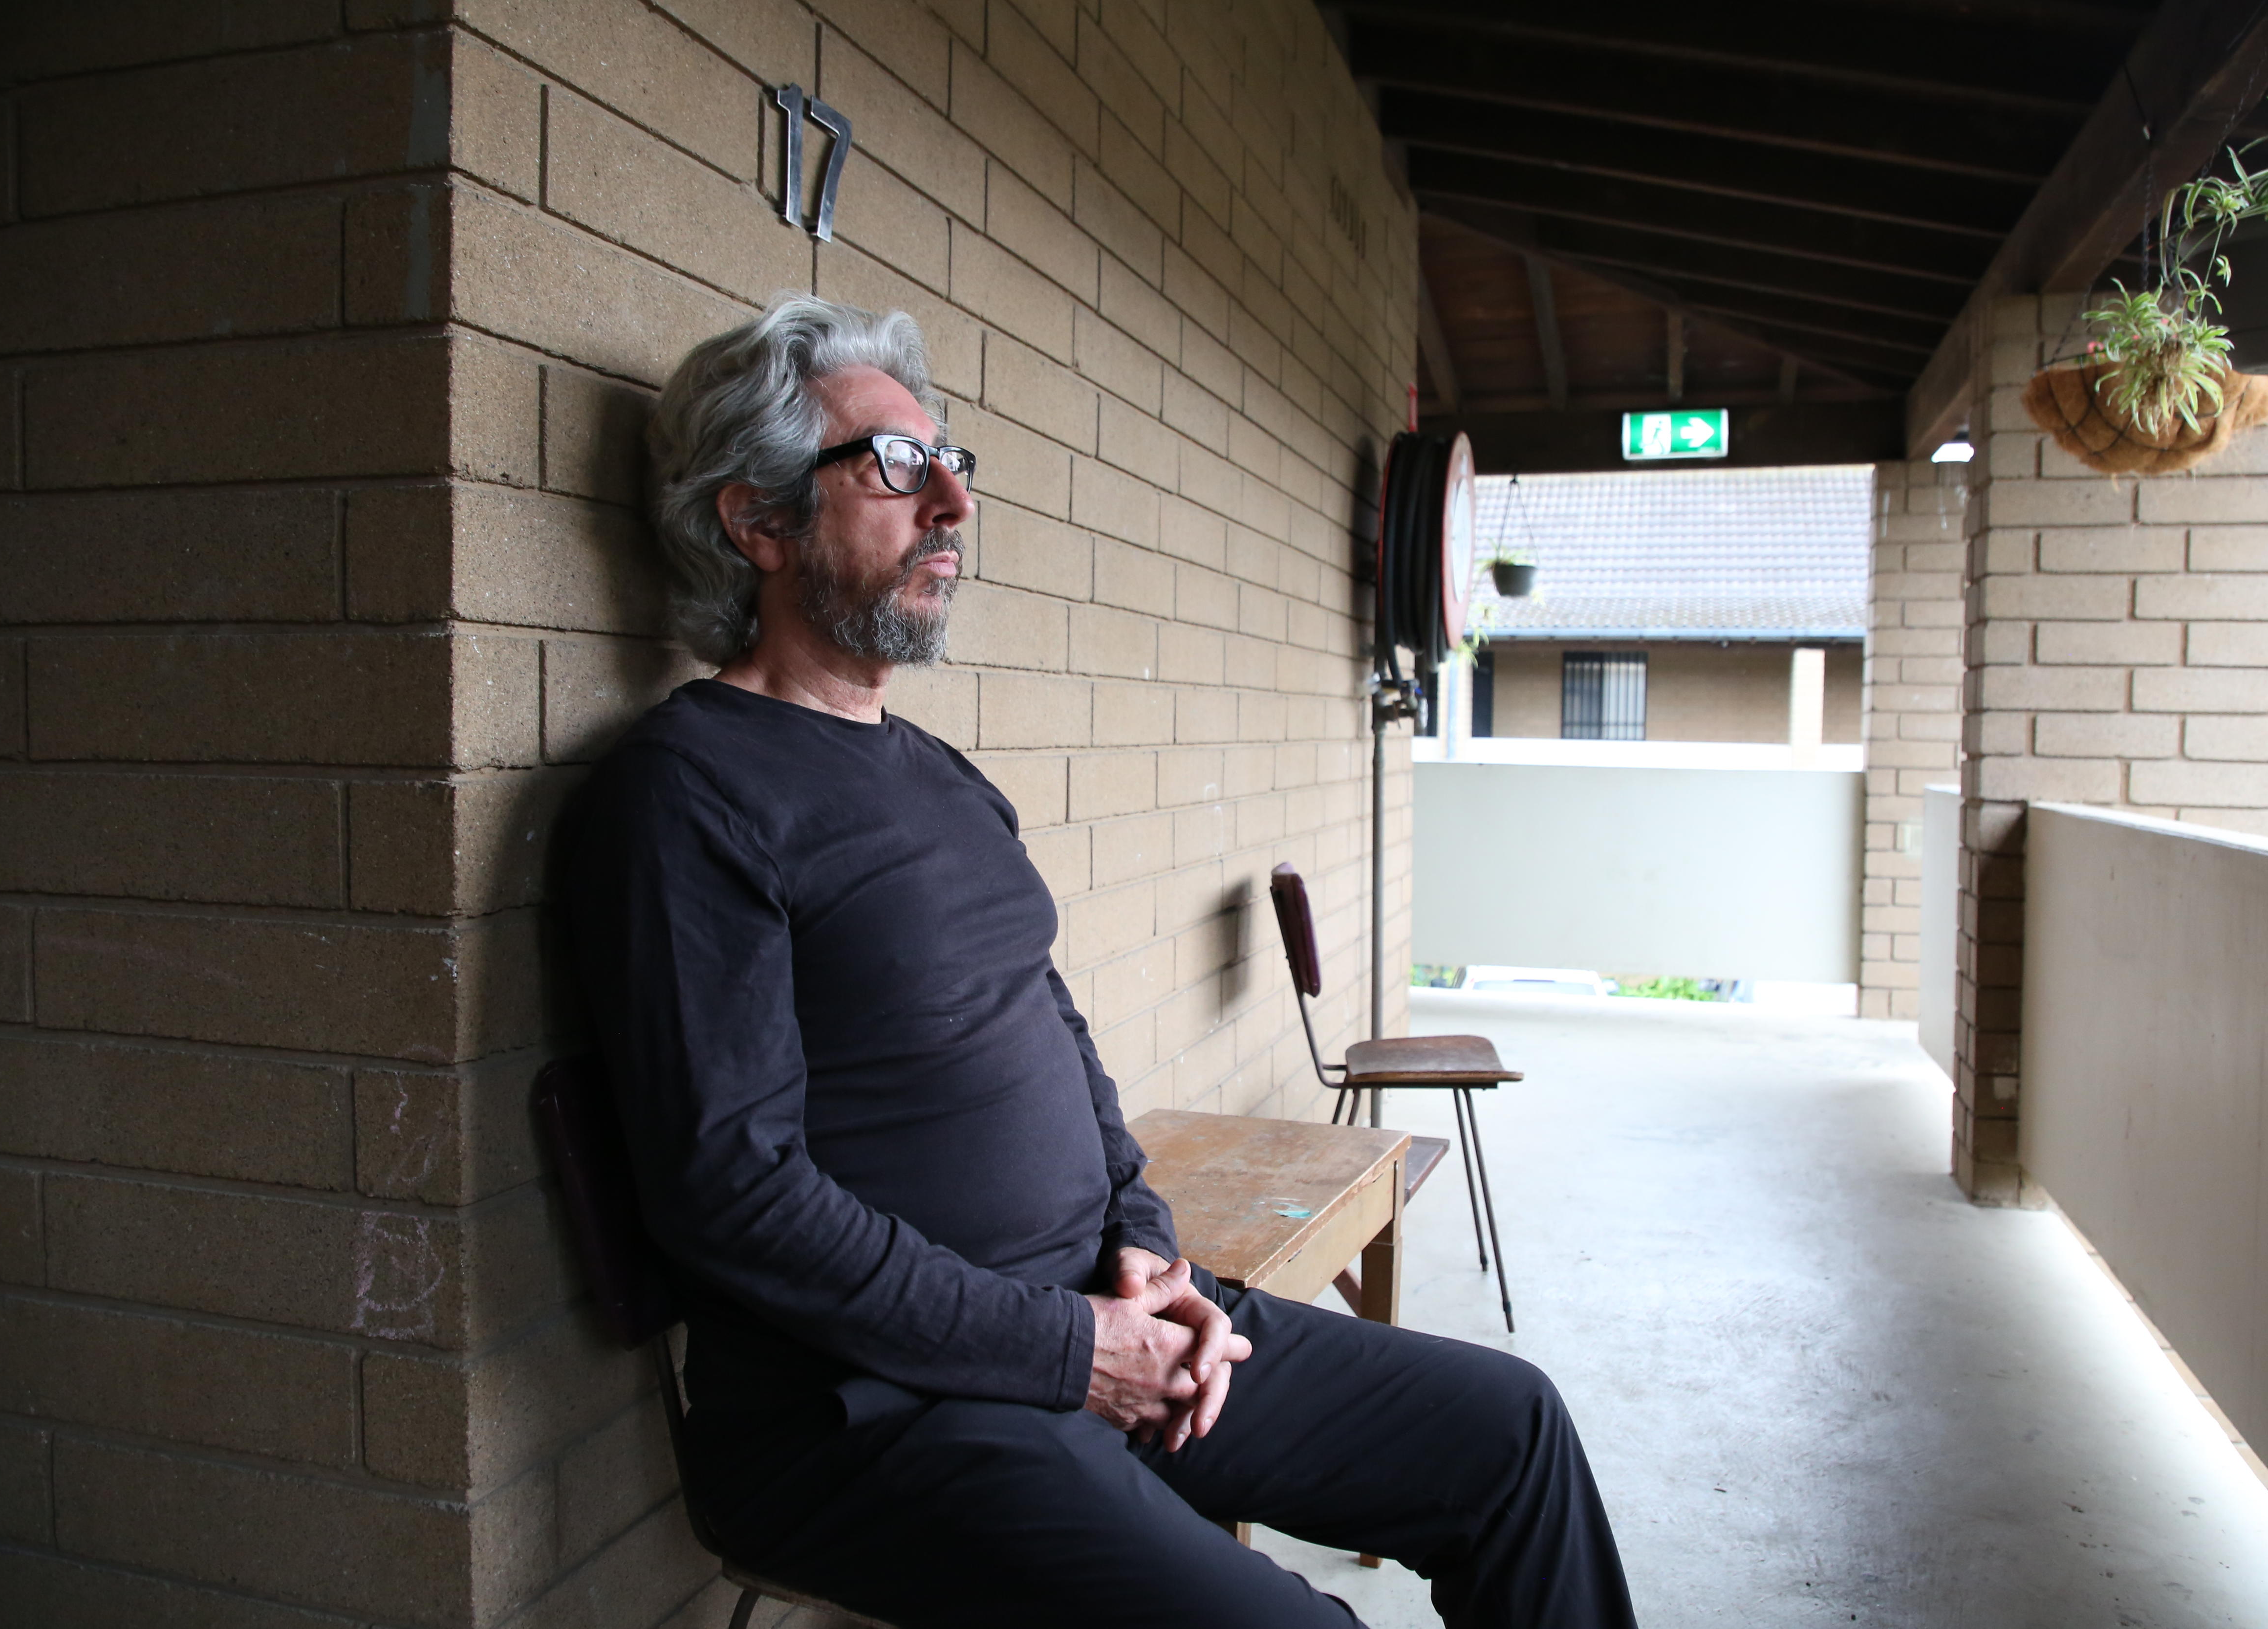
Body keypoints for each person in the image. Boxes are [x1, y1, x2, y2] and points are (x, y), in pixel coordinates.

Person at [565, 294, 1637, 1628]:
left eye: (953, 462)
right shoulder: (688, 795)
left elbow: (1054, 1029)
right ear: (759, 520)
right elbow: (732, 1196)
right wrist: (1073, 1353)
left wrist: (1142, 1247)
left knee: (1511, 1436)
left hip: (1088, 1322)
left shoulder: (941, 779)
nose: (953, 502)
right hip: (874, 1413)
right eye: (898, 467)